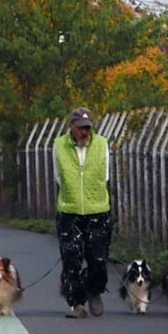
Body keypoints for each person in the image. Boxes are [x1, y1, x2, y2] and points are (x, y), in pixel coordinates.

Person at [53, 107, 111, 319]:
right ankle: (77, 302)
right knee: (71, 259)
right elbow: (58, 176)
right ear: (72, 128)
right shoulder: (59, 145)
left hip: (98, 210)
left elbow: (105, 176)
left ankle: (94, 291)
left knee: (98, 259)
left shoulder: (102, 145)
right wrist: (71, 196)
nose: (85, 132)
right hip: (69, 211)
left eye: (87, 128)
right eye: (80, 128)